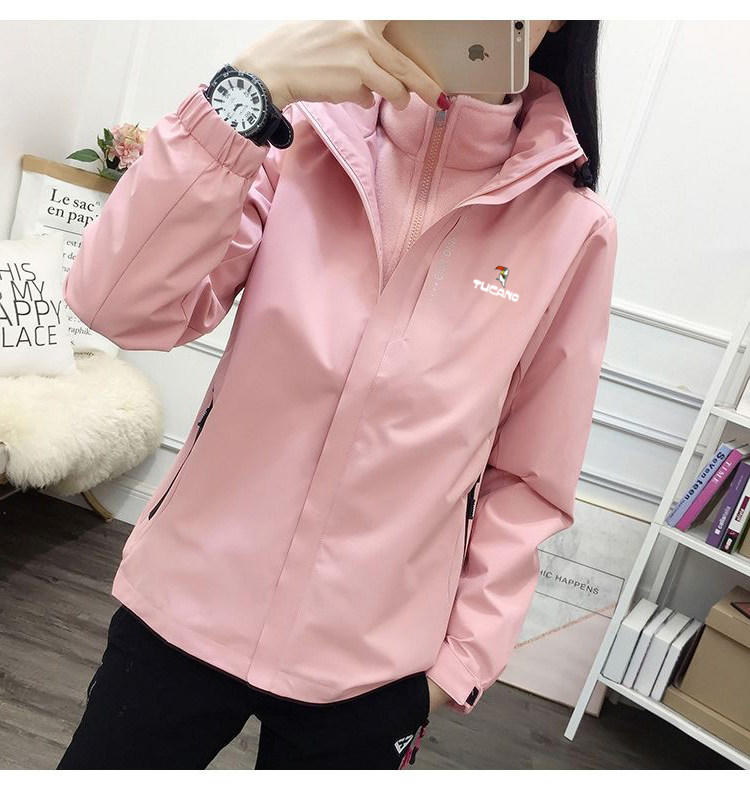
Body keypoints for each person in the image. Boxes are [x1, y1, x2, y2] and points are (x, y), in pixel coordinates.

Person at [57, 19, 616, 769]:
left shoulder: (571, 231)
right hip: (184, 607)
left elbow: (529, 478)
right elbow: (118, 305)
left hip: (372, 673)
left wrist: (457, 666)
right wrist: (244, 95)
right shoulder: (299, 136)